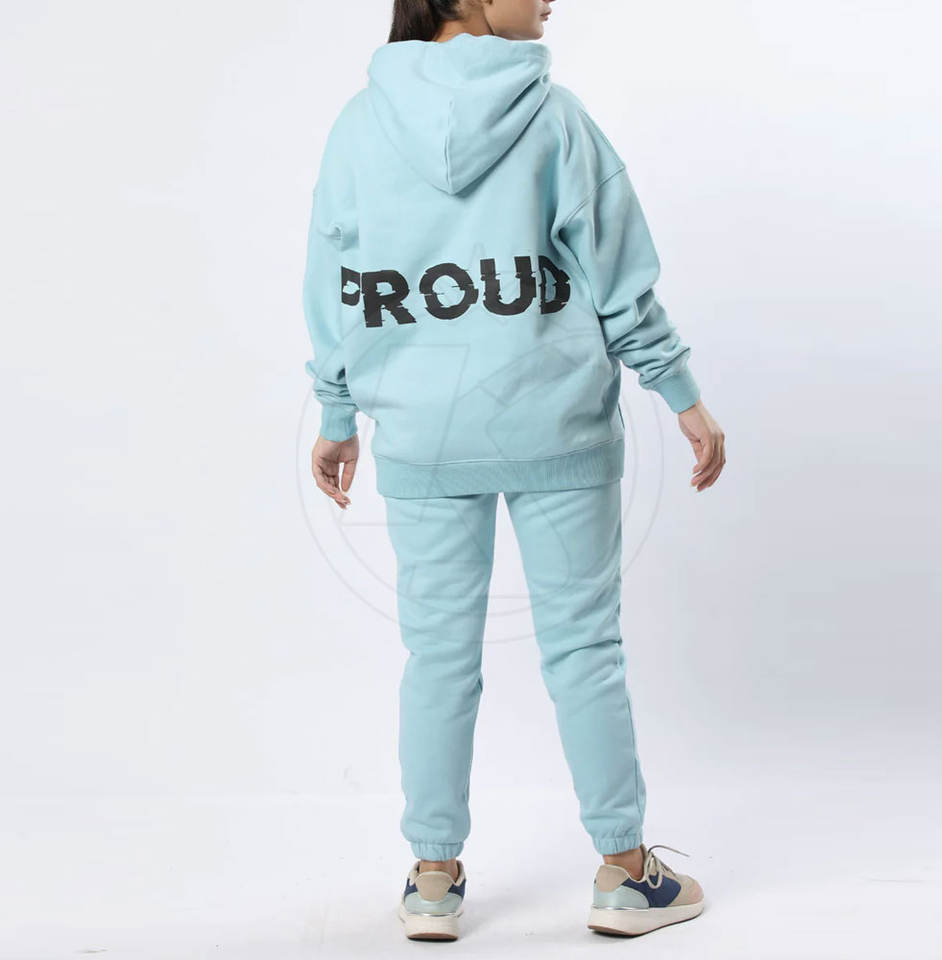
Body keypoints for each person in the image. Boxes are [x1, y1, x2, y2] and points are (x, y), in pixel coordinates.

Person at [302, 0, 725, 942]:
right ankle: (625, 875)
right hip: (555, 419)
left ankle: (432, 882)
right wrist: (680, 391)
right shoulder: (554, 116)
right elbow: (616, 271)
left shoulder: (359, 125)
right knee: (583, 648)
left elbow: (335, 278)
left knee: (438, 657)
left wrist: (336, 411)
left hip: (422, 431)